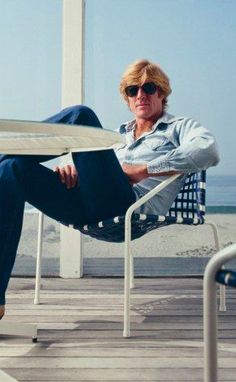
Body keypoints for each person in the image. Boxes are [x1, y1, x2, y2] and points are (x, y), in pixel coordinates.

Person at [0, 59, 220, 319]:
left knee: (80, 116)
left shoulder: (179, 127)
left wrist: (144, 169)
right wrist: (70, 168)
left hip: (128, 207)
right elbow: (87, 166)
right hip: (86, 204)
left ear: (161, 92)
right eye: (132, 90)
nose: (140, 95)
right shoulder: (115, 136)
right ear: (127, 98)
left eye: (148, 88)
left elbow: (208, 150)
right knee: (12, 169)